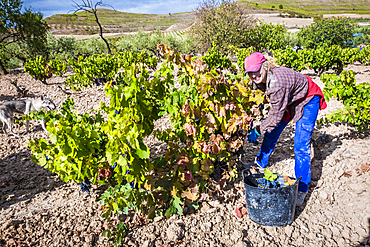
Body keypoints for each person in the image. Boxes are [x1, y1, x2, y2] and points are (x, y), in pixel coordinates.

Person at [243, 52, 327, 206]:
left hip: (307, 99)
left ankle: (301, 188)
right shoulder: (259, 79)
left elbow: (274, 118)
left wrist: (258, 129)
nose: (253, 76)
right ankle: (260, 163)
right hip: (289, 100)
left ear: (265, 66)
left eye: (256, 71)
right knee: (271, 132)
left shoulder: (276, 82)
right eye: (250, 73)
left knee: (301, 145)